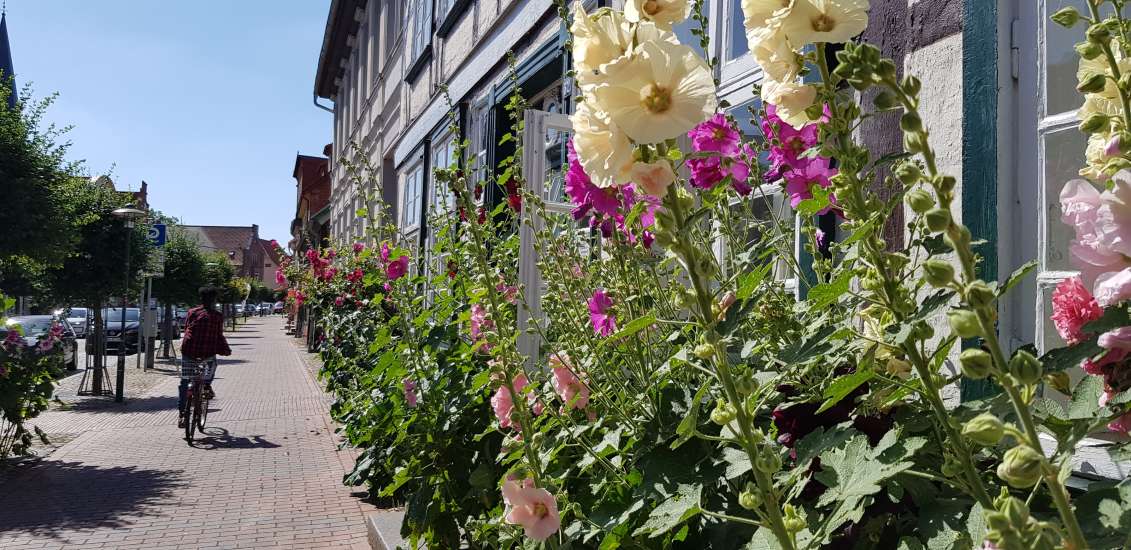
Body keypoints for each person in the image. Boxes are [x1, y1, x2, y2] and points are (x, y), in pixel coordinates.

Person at [179, 286, 232, 427]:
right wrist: (226, 350)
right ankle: (207, 385)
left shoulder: (192, 312)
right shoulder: (217, 316)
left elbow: (186, 330)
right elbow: (219, 336)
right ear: (214, 300)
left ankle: (182, 415)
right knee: (212, 365)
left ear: (201, 298)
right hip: (207, 353)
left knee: (185, 382)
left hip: (189, 351)